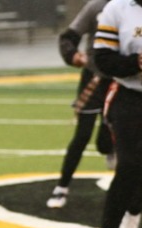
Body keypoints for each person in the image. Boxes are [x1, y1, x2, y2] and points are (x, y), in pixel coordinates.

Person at [46, 0, 114, 209]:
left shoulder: (133, 9)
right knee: (82, 136)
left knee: (111, 140)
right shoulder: (96, 7)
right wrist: (72, 55)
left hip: (122, 81)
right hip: (94, 77)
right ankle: (62, 186)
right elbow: (69, 36)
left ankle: (113, 154)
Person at [90, 0, 142, 228]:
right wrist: (137, 62)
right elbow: (103, 59)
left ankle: (135, 208)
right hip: (129, 94)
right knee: (129, 164)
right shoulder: (118, 8)